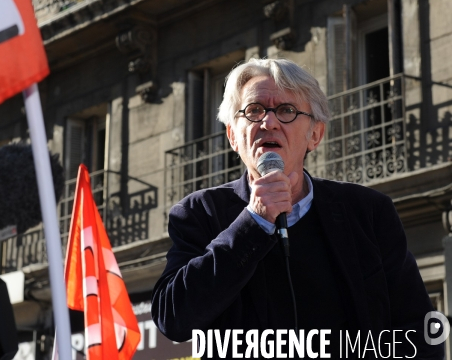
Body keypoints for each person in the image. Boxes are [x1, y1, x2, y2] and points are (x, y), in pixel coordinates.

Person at [152, 58, 444, 359]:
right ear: (233, 137)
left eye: (286, 110)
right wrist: (254, 221)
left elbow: (417, 329)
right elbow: (173, 319)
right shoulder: (200, 213)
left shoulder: (368, 212)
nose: (269, 122)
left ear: (315, 135)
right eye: (254, 110)